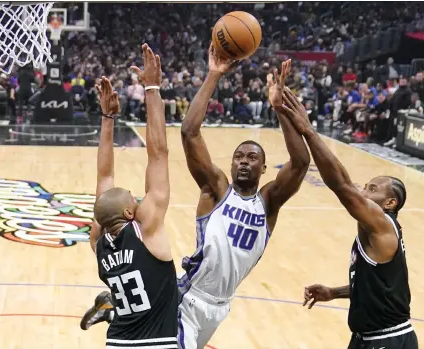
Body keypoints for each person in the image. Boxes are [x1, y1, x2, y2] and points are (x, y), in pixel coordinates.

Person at [81, 47, 311, 349]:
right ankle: (116, 309)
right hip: (189, 297)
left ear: (264, 168)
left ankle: (116, 307)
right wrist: (213, 75)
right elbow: (189, 133)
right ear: (229, 164)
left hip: (221, 304)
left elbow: (301, 162)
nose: (243, 160)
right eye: (238, 156)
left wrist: (280, 109)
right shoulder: (216, 189)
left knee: (142, 315)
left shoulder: (269, 202)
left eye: (252, 157)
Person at [279, 88, 418, 349]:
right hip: (366, 339)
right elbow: (376, 286)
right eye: (365, 186)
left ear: (390, 203)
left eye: (373, 189)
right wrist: (335, 292)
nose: (364, 191)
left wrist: (309, 131)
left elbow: (341, 184)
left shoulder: (382, 224)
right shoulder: (374, 227)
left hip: (388, 340)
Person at [83, 44, 178, 349]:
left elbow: (104, 179)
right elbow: (159, 154)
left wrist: (107, 118)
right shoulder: (145, 228)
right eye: (133, 199)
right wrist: (151, 89)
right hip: (157, 344)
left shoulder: (98, 243)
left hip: (117, 342)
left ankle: (109, 307)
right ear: (128, 214)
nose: (139, 198)